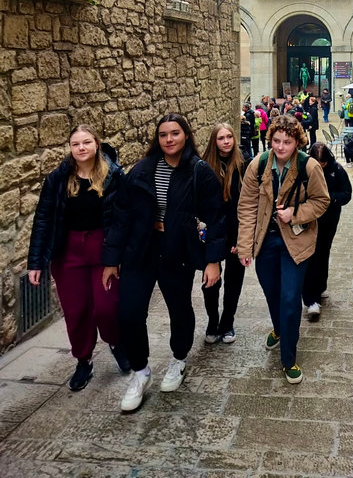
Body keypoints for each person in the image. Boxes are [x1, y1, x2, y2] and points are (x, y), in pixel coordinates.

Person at [102, 113, 226, 412]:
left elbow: (216, 218)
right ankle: (140, 371)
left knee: (179, 309)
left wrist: (213, 261)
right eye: (163, 134)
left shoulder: (199, 171)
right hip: (141, 249)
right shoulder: (142, 169)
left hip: (177, 250)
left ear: (186, 136)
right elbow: (122, 215)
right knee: (129, 312)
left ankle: (179, 359)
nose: (169, 139)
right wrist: (111, 258)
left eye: (174, 133)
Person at [27, 125, 129, 392]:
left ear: (96, 144)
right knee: (77, 311)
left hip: (103, 249)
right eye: (75, 144)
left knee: (106, 308)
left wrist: (115, 257)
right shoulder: (58, 178)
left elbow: (122, 219)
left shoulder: (114, 176)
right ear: (70, 148)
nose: (81, 148)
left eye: (86, 142)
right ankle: (83, 360)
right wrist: (35, 262)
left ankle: (116, 341)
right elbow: (43, 219)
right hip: (68, 252)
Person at [237, 115, 329, 384]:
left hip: (296, 241)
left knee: (290, 298)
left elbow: (322, 201)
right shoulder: (258, 164)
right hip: (265, 240)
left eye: (287, 142)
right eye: (276, 140)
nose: (280, 147)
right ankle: (279, 329)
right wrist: (244, 246)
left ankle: (289, 358)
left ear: (297, 142)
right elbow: (247, 206)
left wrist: (295, 213)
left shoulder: (309, 167)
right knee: (272, 292)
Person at [201, 123, 248, 344]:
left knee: (234, 281)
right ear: (214, 141)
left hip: (236, 232)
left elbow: (249, 203)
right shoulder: (204, 166)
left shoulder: (243, 164)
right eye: (221, 138)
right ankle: (213, 321)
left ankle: (227, 322)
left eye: (229, 136)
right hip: (212, 233)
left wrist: (244, 237)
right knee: (210, 281)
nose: (226, 141)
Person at [303, 144, 352, 319]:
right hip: (309, 219)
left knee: (323, 252)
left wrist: (329, 198)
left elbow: (346, 194)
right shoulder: (304, 169)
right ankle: (311, 298)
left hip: (329, 219)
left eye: (323, 163)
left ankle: (321, 286)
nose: (320, 167)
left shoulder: (336, 170)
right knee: (312, 255)